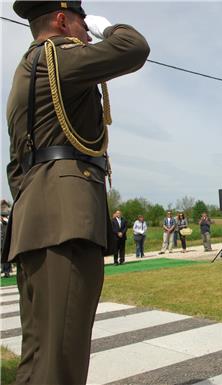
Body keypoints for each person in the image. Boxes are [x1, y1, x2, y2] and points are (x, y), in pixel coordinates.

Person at [3, 2, 149, 383]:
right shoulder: (60, 59)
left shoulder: (26, 71)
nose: (86, 30)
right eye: (83, 21)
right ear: (63, 20)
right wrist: (106, 28)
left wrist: (40, 203)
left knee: (38, 358)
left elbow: (15, 168)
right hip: (67, 225)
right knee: (62, 362)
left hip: (36, 222)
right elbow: (134, 46)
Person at [1, 200, 12, 278]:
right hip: (2, 240)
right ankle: (5, 270)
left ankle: (6, 271)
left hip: (6, 240)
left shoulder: (7, 219)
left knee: (7, 255)